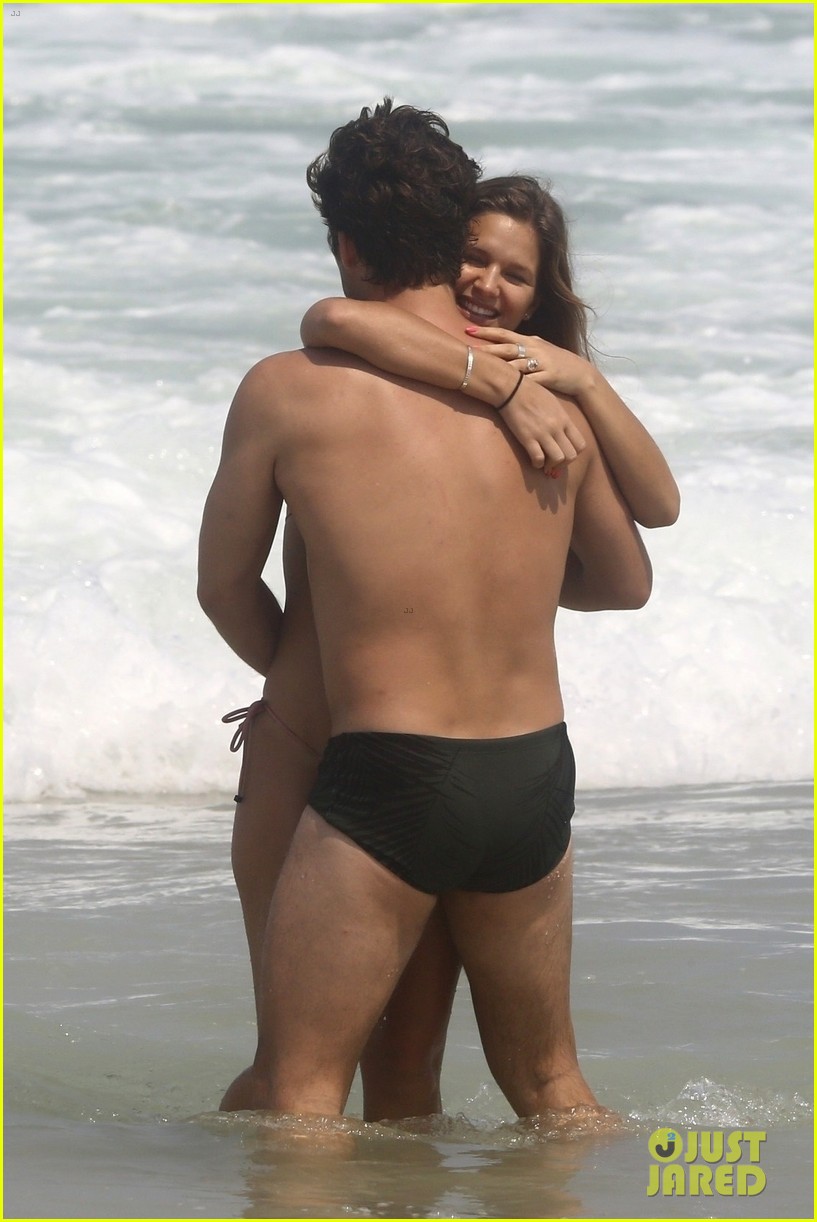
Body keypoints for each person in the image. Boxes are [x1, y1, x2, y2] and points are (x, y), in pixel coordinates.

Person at [197, 98, 657, 1121]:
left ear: (347, 248)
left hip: (387, 778)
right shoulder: (544, 389)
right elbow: (628, 575)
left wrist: (309, 688)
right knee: (550, 1086)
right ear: (454, 239)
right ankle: (689, 1185)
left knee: (299, 1095)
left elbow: (223, 587)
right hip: (531, 774)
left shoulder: (288, 391)